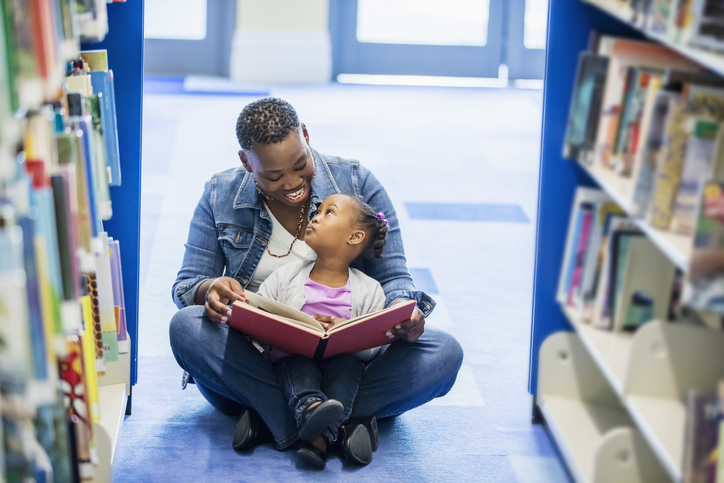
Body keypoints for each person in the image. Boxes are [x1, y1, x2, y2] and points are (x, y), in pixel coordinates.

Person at [169, 97, 463, 457]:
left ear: (306, 135)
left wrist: (404, 312)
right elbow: (187, 285)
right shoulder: (219, 194)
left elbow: (394, 278)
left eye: (300, 164)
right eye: (274, 176)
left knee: (445, 353)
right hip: (262, 357)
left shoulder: (356, 182)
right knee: (186, 327)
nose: (294, 184)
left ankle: (274, 417)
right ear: (246, 162)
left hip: (351, 356)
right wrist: (208, 289)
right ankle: (342, 421)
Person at [255, 193, 390, 469]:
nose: (315, 215)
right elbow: (259, 317)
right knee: (298, 367)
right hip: (291, 361)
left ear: (354, 237)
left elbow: (371, 348)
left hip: (340, 364)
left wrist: (348, 331)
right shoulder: (285, 276)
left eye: (329, 212)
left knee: (348, 369)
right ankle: (328, 426)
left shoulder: (369, 289)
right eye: (317, 210)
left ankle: (307, 433)